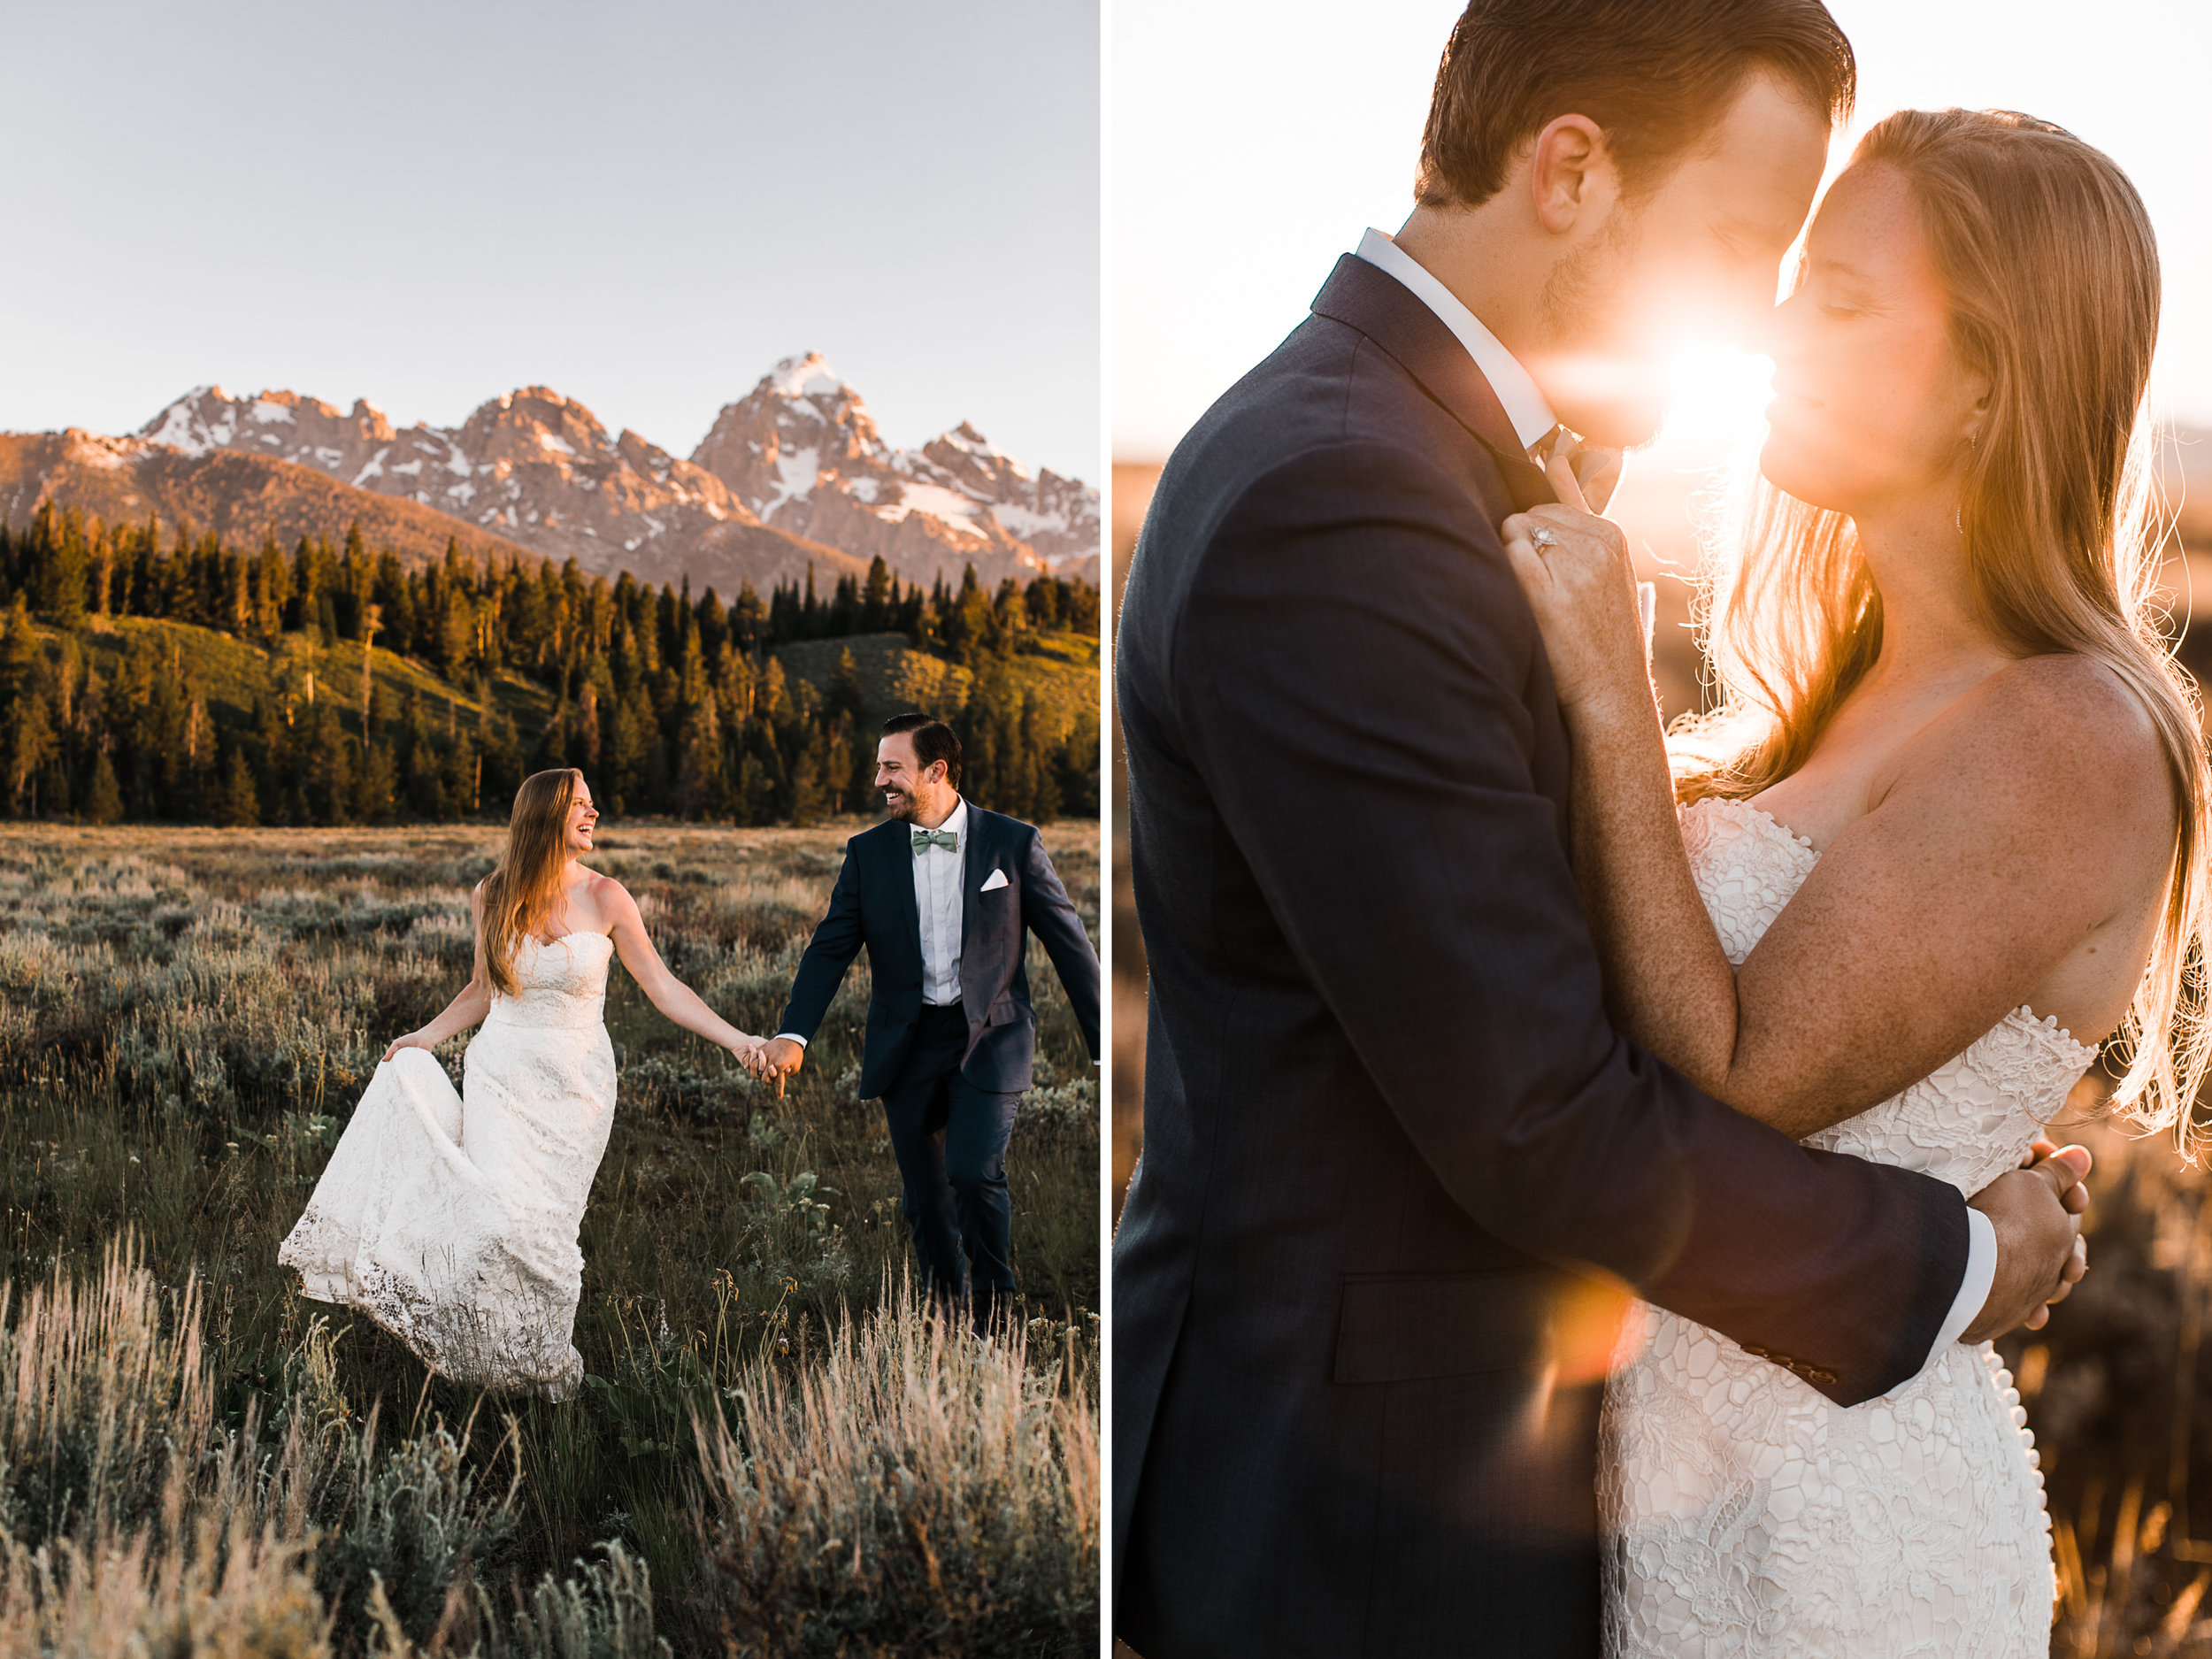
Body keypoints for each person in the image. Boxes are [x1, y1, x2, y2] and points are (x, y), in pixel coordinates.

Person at [1110, 3, 2094, 1655]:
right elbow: (1540, 1118)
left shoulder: (1424, 455)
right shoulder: (1343, 501)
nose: (1759, 324)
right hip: (1351, 1525)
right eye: (1736, 245)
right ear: (1569, 171)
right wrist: (1954, 1264)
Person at [1504, 106, 2197, 1655]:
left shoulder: (2069, 729)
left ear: (1984, 384)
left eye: (1842, 298)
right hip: (1683, 1496)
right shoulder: (1855, 695)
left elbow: (1730, 1076)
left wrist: (1611, 687)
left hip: (1837, 1541)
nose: (1775, 330)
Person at [279, 767, 774, 1397]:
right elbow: (485, 988)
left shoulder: (607, 896)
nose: (594, 814)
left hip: (578, 1091)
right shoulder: (492, 892)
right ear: (545, 815)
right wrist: (425, 1036)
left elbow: (665, 987)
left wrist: (741, 1041)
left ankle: (536, 1372)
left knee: (545, 1234)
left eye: (594, 804)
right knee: (494, 1220)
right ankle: (482, 1361)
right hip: (501, 1076)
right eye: (580, 805)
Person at [757, 713, 1101, 1332]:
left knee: (973, 1172)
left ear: (936, 771)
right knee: (926, 1201)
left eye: (892, 767)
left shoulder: (1012, 843)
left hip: (989, 1037)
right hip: (906, 1043)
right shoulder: (867, 853)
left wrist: (1105, 1049)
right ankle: (946, 1316)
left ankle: (996, 1316)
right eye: (880, 766)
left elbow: (1071, 945)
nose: (878, 780)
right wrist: (794, 1031)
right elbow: (831, 946)